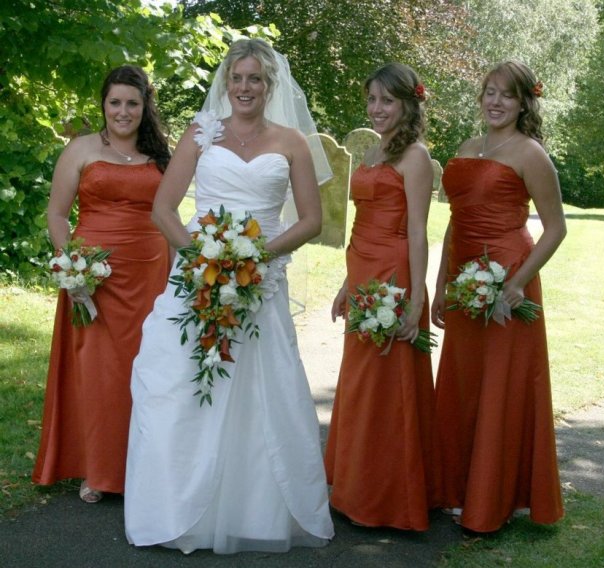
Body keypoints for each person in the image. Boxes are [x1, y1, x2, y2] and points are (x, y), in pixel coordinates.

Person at [123, 38, 334, 555]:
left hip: (260, 281)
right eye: (237, 78)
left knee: (264, 389)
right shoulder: (202, 133)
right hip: (198, 275)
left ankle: (254, 513)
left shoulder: (291, 142)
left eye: (255, 79)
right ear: (225, 82)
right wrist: (202, 259)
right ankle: (177, 508)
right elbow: (165, 209)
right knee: (180, 383)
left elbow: (311, 219)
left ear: (269, 85)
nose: (244, 87)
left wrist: (254, 257)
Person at [431, 60, 566, 533]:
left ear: (524, 101)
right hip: (466, 279)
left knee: (501, 388)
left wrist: (516, 283)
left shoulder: (531, 154)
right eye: (489, 91)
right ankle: (455, 489)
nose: (495, 101)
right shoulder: (468, 147)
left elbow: (555, 229)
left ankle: (492, 501)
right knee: (465, 386)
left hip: (509, 277)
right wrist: (442, 282)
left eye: (506, 94)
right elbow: (455, 220)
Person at [32, 66, 171, 503]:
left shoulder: (160, 153)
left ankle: (146, 468)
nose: (123, 111)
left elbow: (170, 214)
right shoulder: (81, 149)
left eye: (133, 103)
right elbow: (57, 215)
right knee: (99, 373)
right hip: (94, 279)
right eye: (115, 102)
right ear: (103, 104)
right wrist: (71, 267)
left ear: (144, 105)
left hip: (151, 273)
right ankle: (99, 470)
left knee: (148, 370)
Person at [324, 63, 436, 531]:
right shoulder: (372, 150)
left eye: (387, 100)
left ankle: (389, 499)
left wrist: (414, 300)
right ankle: (355, 487)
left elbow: (417, 231)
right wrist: (348, 285)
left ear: (408, 104)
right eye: (372, 99)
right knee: (360, 385)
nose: (377, 108)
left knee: (389, 390)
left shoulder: (415, 157)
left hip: (394, 276)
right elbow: (363, 220)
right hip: (363, 270)